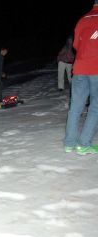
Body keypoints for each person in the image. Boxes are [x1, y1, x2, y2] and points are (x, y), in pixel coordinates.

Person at [64, 1, 98, 155]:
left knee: (75, 108)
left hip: (79, 68)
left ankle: (69, 143)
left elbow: (76, 45)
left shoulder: (83, 19)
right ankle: (84, 144)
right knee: (95, 108)